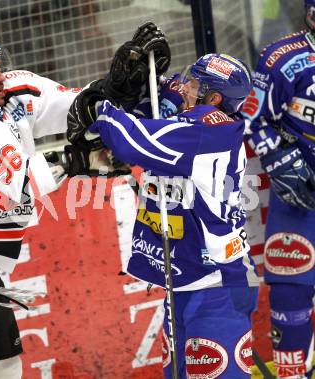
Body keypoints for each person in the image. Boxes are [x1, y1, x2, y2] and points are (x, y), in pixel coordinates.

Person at [0, 27, 167, 378]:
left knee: (7, 366)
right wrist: (81, 160)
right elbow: (21, 182)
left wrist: (119, 85)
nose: (1, 75)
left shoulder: (14, 91)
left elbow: (79, 107)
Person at [67, 52, 259, 378]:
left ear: (212, 98)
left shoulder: (209, 131)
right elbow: (157, 105)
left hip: (217, 285)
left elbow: (131, 140)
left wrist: (101, 106)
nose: (184, 85)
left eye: (194, 82)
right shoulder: (195, 121)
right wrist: (129, 82)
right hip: (185, 279)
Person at [241, 1, 315, 378]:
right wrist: (285, 165)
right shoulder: (282, 58)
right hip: (302, 198)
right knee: (289, 294)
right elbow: (254, 120)